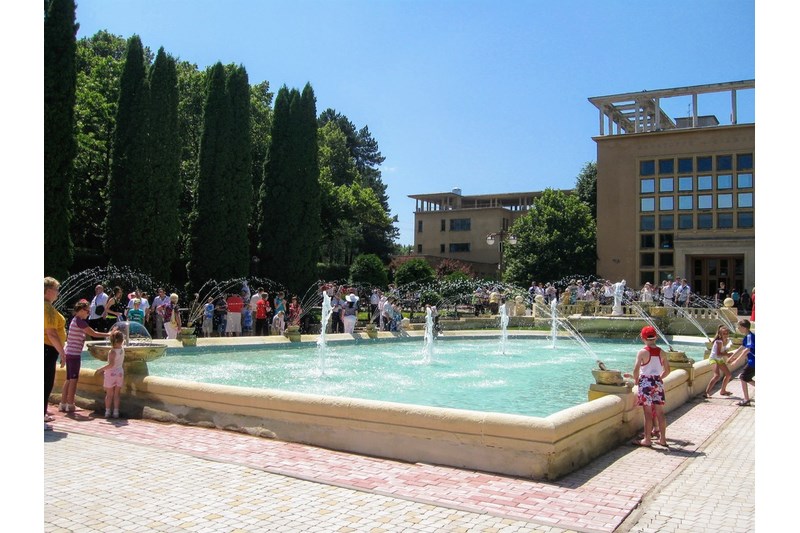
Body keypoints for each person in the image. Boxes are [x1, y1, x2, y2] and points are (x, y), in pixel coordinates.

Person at [61, 300, 111, 413]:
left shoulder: (75, 320)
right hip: (74, 355)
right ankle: (70, 404)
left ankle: (63, 403)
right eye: (87, 311)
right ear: (81, 310)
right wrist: (109, 334)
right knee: (73, 380)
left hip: (69, 353)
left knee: (68, 379)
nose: (88, 313)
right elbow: (93, 333)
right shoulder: (80, 321)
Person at [632, 325, 670, 447]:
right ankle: (663, 439)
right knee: (660, 412)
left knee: (647, 413)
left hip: (645, 382)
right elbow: (668, 370)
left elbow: (636, 369)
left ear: (643, 338)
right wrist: (659, 378)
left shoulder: (642, 352)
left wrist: (636, 380)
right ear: (656, 337)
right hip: (657, 382)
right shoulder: (662, 352)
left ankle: (647, 439)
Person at [44, 277, 67, 431]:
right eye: (56, 290)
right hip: (47, 349)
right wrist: (62, 352)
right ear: (48, 291)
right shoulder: (46, 308)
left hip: (46, 349)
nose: (58, 293)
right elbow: (51, 333)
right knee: (45, 382)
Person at [95, 329, 125, 418]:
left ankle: (107, 412)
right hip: (120, 372)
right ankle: (116, 412)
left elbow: (111, 365)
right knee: (117, 394)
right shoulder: (122, 350)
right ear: (122, 340)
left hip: (111, 373)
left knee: (109, 394)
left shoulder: (112, 352)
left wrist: (101, 369)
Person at [727, 318, 755, 406]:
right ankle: (746, 399)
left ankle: (746, 400)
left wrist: (736, 361)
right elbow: (741, 347)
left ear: (744, 328)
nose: (738, 329)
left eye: (739, 327)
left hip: (753, 361)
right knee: (745, 378)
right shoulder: (747, 336)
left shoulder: (750, 337)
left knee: (743, 377)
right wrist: (731, 357)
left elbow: (746, 350)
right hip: (752, 361)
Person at [704, 325, 734, 398]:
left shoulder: (726, 341)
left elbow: (723, 351)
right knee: (716, 375)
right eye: (724, 333)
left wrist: (729, 356)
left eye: (727, 333)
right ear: (720, 334)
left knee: (728, 375)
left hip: (719, 359)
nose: (726, 335)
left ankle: (723, 391)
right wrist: (728, 354)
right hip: (713, 359)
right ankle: (706, 393)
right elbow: (718, 353)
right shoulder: (719, 341)